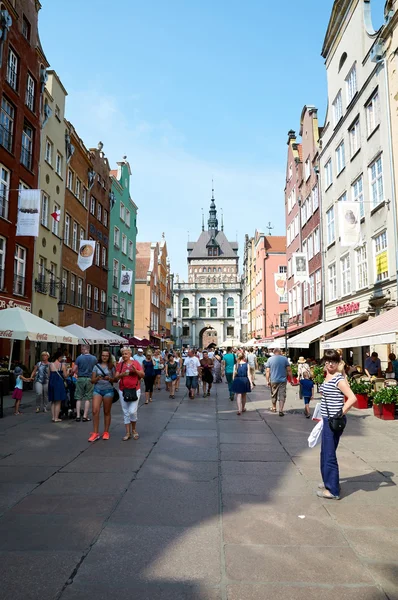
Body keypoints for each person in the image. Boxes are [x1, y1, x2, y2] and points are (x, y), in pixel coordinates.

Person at [318, 349, 357, 500]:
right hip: (327, 419)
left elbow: (352, 398)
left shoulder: (338, 379)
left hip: (333, 420)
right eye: (327, 362)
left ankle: (333, 490)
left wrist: (341, 412)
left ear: (337, 362)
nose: (329, 364)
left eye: (332, 362)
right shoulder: (329, 375)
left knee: (329, 454)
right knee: (325, 452)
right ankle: (327, 481)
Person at [115, 346, 144, 441]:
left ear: (130, 354)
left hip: (135, 389)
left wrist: (135, 371)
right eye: (123, 354)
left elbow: (142, 375)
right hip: (123, 390)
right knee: (125, 411)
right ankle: (128, 432)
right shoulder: (120, 365)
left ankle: (134, 429)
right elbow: (115, 378)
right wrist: (121, 375)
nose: (124, 355)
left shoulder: (136, 363)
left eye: (126, 354)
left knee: (132, 411)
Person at [89, 349, 116, 442]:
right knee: (95, 410)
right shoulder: (96, 366)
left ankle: (106, 432)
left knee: (106, 411)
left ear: (109, 357)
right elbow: (92, 381)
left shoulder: (111, 367)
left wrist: (109, 378)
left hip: (108, 390)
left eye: (106, 356)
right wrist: (97, 378)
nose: (104, 357)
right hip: (97, 390)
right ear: (100, 356)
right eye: (103, 355)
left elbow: (115, 380)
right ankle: (95, 433)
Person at [72, 344, 97, 422]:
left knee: (78, 398)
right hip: (90, 379)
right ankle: (85, 416)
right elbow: (96, 369)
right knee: (88, 398)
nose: (81, 351)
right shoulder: (94, 358)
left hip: (80, 378)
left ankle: (78, 416)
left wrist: (73, 372)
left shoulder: (79, 358)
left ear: (84, 349)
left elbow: (74, 370)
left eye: (82, 349)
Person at [265, 347, 292, 416]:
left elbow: (267, 371)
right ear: (280, 352)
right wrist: (291, 379)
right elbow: (289, 370)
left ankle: (274, 407)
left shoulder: (270, 359)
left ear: (274, 352)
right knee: (282, 395)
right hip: (282, 380)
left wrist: (267, 381)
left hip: (273, 380)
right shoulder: (284, 359)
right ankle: (281, 410)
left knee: (274, 394)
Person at [48, 350, 68, 423]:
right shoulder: (62, 365)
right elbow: (65, 376)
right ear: (59, 357)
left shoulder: (50, 364)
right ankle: (56, 417)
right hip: (59, 383)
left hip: (51, 382)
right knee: (58, 401)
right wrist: (68, 372)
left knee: (53, 401)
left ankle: (53, 417)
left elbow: (49, 375)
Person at [231, 351, 252, 415]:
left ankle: (239, 409)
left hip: (237, 380)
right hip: (245, 380)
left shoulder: (236, 365)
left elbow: (233, 375)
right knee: (244, 395)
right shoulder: (247, 365)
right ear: (244, 357)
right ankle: (243, 408)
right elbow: (249, 374)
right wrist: (251, 383)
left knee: (238, 396)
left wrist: (234, 381)